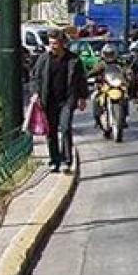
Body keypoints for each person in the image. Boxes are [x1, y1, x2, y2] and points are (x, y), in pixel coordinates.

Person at [31, 29, 87, 173]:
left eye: (55, 43)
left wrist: (82, 97)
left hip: (67, 100)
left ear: (62, 44)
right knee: (51, 132)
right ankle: (54, 159)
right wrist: (36, 93)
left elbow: (81, 80)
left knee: (66, 128)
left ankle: (66, 160)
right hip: (48, 100)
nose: (52, 46)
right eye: (50, 43)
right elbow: (36, 77)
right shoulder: (44, 59)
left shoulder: (73, 60)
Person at [88, 44, 129, 127]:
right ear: (103, 54)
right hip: (104, 85)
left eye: (111, 54)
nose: (109, 56)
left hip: (117, 84)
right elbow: (93, 71)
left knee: (125, 97)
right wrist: (87, 76)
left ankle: (123, 117)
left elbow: (126, 70)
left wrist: (128, 74)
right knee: (95, 98)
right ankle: (97, 120)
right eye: (107, 54)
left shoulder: (119, 63)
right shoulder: (101, 64)